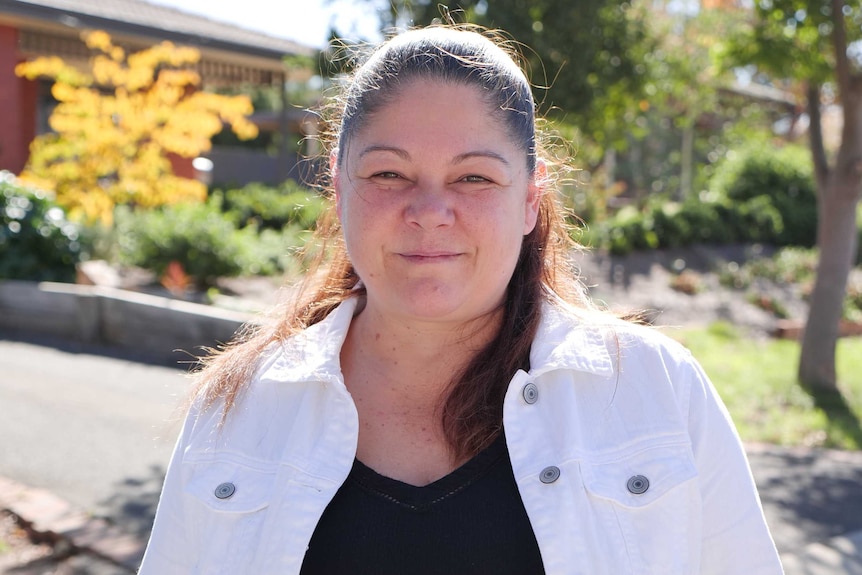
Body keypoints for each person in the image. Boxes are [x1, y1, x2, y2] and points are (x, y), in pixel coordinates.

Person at [139, 25, 784, 575]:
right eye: (389, 173)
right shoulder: (240, 411)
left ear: (530, 198)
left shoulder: (654, 390)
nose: (429, 212)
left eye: (473, 177)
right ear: (338, 189)